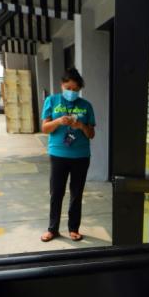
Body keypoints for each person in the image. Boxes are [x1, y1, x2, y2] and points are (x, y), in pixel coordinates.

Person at [40, 68, 96, 242]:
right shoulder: (52, 100)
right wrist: (58, 121)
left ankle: (74, 228)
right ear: (62, 85)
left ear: (79, 89)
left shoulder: (86, 106)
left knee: (76, 193)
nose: (71, 92)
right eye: (68, 87)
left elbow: (91, 134)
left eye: (75, 89)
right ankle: (52, 229)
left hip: (80, 156)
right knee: (56, 192)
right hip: (58, 154)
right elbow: (44, 128)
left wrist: (81, 126)